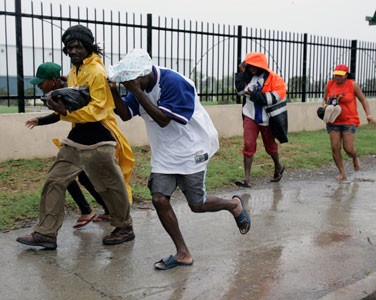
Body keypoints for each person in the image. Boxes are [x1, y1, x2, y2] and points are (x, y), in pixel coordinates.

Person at [108, 49, 251, 270]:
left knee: (197, 204)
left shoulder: (173, 82)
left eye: (132, 81)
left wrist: (136, 91)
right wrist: (114, 91)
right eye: (126, 82)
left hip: (192, 147)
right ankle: (183, 253)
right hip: (165, 152)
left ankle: (234, 205)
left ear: (144, 74)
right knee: (159, 199)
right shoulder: (139, 84)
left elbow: (163, 119)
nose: (129, 85)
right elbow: (126, 114)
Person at [16, 24, 135, 249]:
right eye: (69, 47)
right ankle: (46, 233)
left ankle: (124, 227)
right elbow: (75, 100)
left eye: (77, 46)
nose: (73, 51)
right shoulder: (75, 70)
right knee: (55, 179)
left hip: (100, 136)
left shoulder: (97, 72)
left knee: (109, 185)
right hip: (77, 136)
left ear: (88, 46)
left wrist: (65, 111)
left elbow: (98, 109)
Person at [26, 62, 107, 229]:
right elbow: (61, 113)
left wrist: (41, 120)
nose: (40, 86)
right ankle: (106, 211)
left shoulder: (66, 91)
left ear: (53, 80)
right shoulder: (66, 86)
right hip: (85, 134)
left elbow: (63, 113)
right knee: (77, 176)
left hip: (91, 135)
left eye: (42, 82)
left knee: (63, 174)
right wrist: (39, 120)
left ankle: (96, 212)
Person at [234, 52, 286, 188]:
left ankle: (278, 167)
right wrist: (240, 73)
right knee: (248, 144)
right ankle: (246, 179)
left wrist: (255, 94)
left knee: (270, 146)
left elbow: (271, 99)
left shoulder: (276, 80)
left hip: (267, 118)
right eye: (250, 66)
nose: (252, 69)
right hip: (250, 115)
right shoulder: (248, 77)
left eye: (255, 66)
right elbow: (239, 91)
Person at [323, 64, 376, 181]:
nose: (337, 77)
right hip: (333, 120)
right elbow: (324, 99)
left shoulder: (352, 85)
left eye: (340, 75)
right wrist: (324, 107)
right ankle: (342, 172)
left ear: (346, 75)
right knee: (335, 147)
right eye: (336, 74)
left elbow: (363, 99)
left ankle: (354, 157)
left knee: (348, 148)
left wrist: (368, 114)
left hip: (349, 120)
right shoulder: (329, 84)